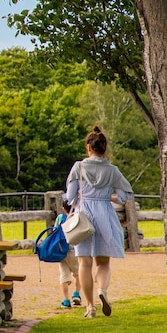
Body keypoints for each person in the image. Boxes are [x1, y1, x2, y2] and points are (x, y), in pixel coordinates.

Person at [65, 125, 134, 319]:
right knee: (103, 262)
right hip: (105, 213)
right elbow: (124, 196)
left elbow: (70, 197)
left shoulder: (78, 167)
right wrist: (107, 197)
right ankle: (102, 289)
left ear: (88, 148)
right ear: (105, 149)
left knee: (84, 263)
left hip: (84, 216)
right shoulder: (113, 171)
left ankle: (90, 307)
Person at [54, 198, 82, 308]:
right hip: (74, 250)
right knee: (79, 273)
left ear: (63, 209)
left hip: (62, 250)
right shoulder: (77, 217)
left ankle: (65, 300)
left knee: (64, 276)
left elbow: (55, 231)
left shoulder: (60, 218)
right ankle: (76, 293)